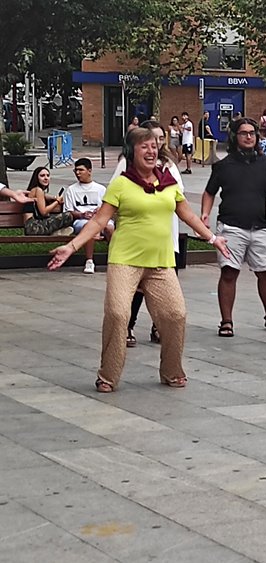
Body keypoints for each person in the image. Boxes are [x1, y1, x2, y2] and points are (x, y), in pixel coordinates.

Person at [47, 127, 230, 393]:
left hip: (160, 262)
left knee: (175, 315)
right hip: (125, 260)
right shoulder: (122, 184)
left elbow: (188, 215)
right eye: (144, 146)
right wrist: (71, 246)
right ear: (131, 152)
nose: (151, 150)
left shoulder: (168, 181)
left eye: (154, 146)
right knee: (118, 314)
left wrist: (213, 238)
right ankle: (107, 375)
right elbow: (99, 220)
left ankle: (172, 371)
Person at [201, 117, 266, 338]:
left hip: (260, 227)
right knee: (229, 272)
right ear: (235, 137)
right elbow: (209, 192)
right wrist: (204, 214)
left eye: (252, 133)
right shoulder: (223, 166)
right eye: (243, 133)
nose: (249, 137)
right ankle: (226, 321)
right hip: (231, 227)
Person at [112, 119, 185, 348]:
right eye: (150, 141)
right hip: (135, 242)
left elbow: (179, 197)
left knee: (166, 294)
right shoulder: (126, 165)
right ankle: (128, 325)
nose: (156, 145)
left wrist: (210, 236)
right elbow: (113, 199)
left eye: (159, 140)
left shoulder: (169, 165)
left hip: (165, 239)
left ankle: (159, 327)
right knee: (134, 290)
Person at [64, 158, 114, 274]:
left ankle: (113, 259)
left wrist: (100, 210)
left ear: (89, 171)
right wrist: (81, 214)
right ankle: (89, 261)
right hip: (81, 221)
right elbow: (69, 211)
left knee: (110, 227)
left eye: (81, 170)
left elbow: (108, 208)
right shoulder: (71, 190)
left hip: (100, 219)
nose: (78, 173)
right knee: (89, 227)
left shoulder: (101, 189)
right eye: (76, 170)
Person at [22, 166, 74, 236]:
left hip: (33, 227)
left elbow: (44, 196)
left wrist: (54, 197)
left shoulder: (34, 190)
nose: (46, 178)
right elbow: (44, 212)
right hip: (33, 227)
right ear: (36, 178)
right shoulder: (38, 190)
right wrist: (57, 201)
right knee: (68, 216)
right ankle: (56, 233)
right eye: (42, 176)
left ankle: (56, 233)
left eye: (48, 175)